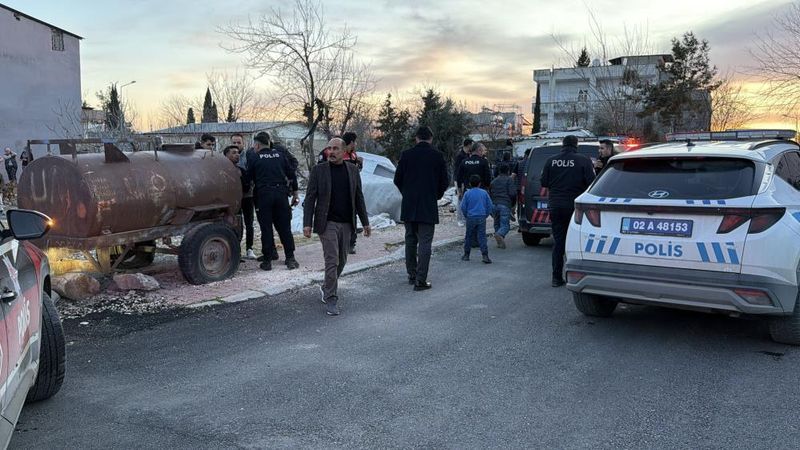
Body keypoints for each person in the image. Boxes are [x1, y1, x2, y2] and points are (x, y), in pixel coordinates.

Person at [303, 137, 371, 316]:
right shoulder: (319, 171)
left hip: (347, 223)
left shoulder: (352, 170)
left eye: (335, 149)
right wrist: (307, 224)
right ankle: (331, 298)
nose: (331, 152)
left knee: (342, 260)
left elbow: (359, 198)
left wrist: (365, 222)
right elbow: (310, 198)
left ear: (343, 152)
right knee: (332, 260)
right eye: (329, 149)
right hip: (327, 223)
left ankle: (326, 286)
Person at [393, 126, 449, 291]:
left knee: (410, 240)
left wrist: (407, 193)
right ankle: (421, 279)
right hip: (428, 204)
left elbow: (397, 179)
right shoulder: (438, 156)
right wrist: (435, 195)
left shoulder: (406, 155)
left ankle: (411, 275)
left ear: (416, 138)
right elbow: (444, 182)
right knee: (425, 242)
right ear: (431, 138)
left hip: (409, 204)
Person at [540, 135, 595, 287]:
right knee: (577, 241)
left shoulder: (551, 160)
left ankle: (556, 278)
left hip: (556, 205)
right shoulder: (583, 160)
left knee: (558, 242)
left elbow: (544, 182)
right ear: (576, 145)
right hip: (575, 207)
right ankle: (578, 277)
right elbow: (592, 184)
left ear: (562, 145)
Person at [246, 131, 300, 271]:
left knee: (266, 227)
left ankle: (268, 260)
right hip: (281, 194)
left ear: (257, 145)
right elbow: (292, 174)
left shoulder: (254, 157)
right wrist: (295, 193)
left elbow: (248, 179)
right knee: (284, 227)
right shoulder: (280, 155)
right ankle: (290, 258)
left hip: (264, 195)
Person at [232, 133, 257, 260]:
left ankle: (249, 249)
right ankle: (236, 250)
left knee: (249, 223)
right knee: (236, 223)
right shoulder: (227, 156)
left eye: (238, 142)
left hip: (248, 195)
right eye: (234, 142)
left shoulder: (249, 156)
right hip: (233, 197)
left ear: (243, 143)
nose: (236, 145)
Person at [460, 174, 493, 264]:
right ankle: (485, 255)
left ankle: (466, 255)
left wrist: (467, 215)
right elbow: (490, 206)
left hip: (470, 217)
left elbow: (462, 206)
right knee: (482, 236)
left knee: (468, 236)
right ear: (479, 183)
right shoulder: (484, 193)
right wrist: (485, 215)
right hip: (481, 216)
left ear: (470, 184)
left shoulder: (467, 193)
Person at [342, 131, 363, 254]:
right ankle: (342, 242)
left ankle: (351, 243)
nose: (355, 144)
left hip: (353, 191)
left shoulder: (354, 155)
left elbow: (356, 172)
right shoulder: (341, 155)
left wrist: (360, 164)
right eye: (354, 142)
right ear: (351, 143)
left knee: (353, 217)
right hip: (342, 192)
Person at [490, 164, 515, 249]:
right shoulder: (509, 180)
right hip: (504, 204)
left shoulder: (493, 181)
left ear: (499, 171)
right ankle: (499, 234)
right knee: (505, 225)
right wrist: (512, 205)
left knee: (496, 223)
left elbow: (490, 193)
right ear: (508, 171)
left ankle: (499, 242)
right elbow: (512, 194)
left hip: (494, 205)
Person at [454, 139, 473, 226]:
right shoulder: (460, 156)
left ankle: (465, 218)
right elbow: (457, 171)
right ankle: (460, 219)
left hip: (466, 180)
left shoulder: (468, 155)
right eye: (471, 145)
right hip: (459, 180)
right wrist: (459, 184)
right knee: (460, 199)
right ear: (468, 145)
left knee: (465, 199)